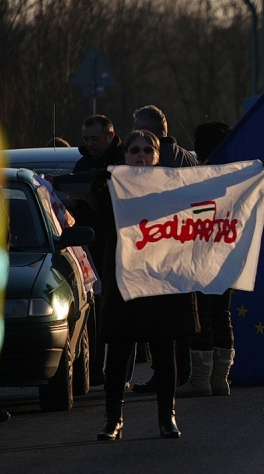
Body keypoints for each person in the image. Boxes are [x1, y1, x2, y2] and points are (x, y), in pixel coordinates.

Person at [87, 130, 199, 440]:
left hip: (161, 278)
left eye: (147, 150)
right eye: (135, 150)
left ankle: (167, 417)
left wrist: (253, 172)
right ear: (125, 156)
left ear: (157, 156)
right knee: (119, 351)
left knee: (164, 352)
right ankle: (113, 420)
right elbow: (96, 205)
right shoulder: (113, 186)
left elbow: (208, 192)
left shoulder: (172, 187)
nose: (141, 155)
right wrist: (100, 184)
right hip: (124, 280)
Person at [48, 114, 125, 385]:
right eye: (86, 139)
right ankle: (96, 370)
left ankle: (120, 374)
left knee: (118, 313)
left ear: (110, 136)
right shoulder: (83, 162)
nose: (90, 144)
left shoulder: (122, 159)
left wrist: (63, 185)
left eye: (95, 138)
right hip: (88, 246)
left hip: (117, 246)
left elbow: (97, 184)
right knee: (95, 309)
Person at [130, 105, 197, 393]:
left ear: (152, 132)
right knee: (178, 315)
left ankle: (168, 375)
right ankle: (181, 371)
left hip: (163, 247)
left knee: (163, 319)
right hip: (184, 247)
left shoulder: (160, 162)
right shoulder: (188, 159)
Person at [175, 121, 236, 398]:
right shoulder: (237, 177)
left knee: (202, 315)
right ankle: (220, 379)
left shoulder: (197, 178)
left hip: (201, 256)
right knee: (222, 314)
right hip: (228, 255)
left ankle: (201, 379)